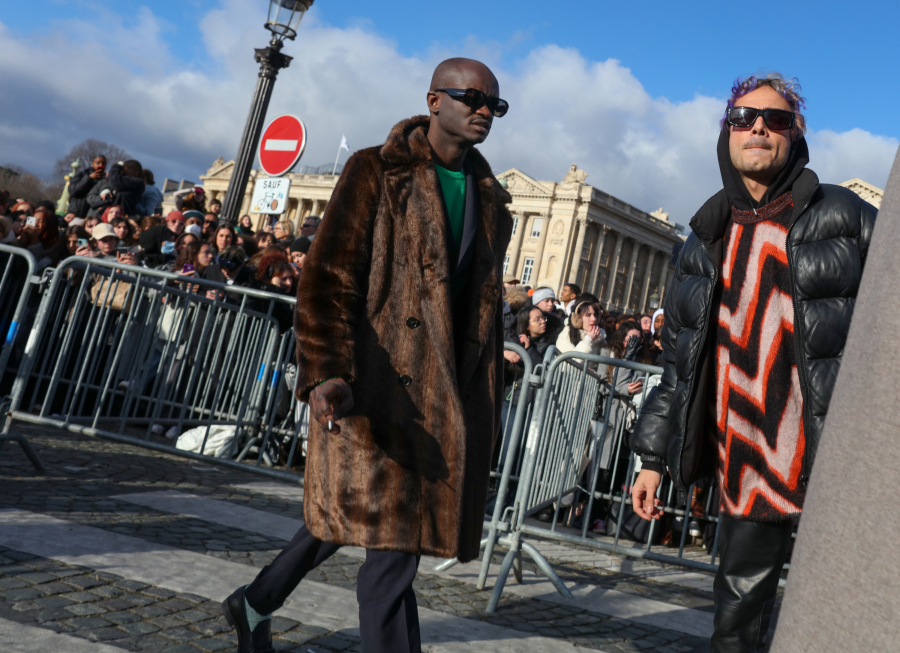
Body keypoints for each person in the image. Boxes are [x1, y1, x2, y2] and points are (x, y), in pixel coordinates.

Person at [222, 57, 512, 653]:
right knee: (390, 551)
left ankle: (254, 603)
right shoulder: (376, 171)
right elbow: (329, 278)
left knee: (352, 512)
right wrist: (326, 372)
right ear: (434, 100)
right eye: (472, 98)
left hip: (447, 396)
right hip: (376, 382)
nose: (484, 110)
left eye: (495, 104)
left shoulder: (493, 200)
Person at [628, 73, 877, 653]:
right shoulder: (701, 239)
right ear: (726, 133)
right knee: (736, 624)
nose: (759, 127)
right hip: (749, 464)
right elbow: (678, 368)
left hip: (838, 461)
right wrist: (649, 458)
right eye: (744, 118)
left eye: (777, 119)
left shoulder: (844, 214)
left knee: (850, 620)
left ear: (796, 136)